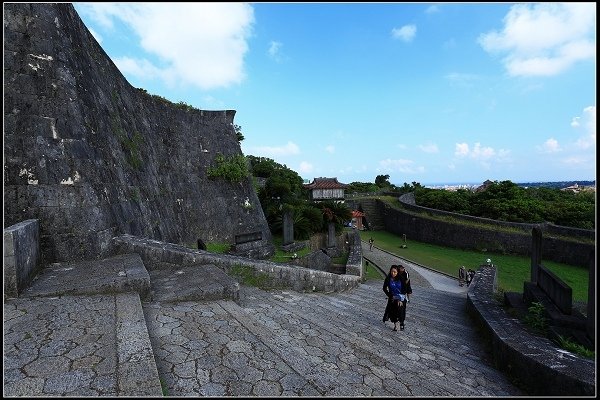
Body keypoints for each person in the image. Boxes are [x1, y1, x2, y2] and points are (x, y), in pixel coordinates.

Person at [382, 265, 407, 331]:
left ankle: (401, 323)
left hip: (401, 297)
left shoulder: (401, 278)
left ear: (397, 272)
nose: (393, 273)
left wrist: (400, 299)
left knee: (400, 310)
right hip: (392, 297)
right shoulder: (388, 279)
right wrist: (390, 295)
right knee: (392, 311)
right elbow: (384, 288)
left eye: (395, 272)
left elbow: (404, 289)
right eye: (392, 271)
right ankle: (396, 323)